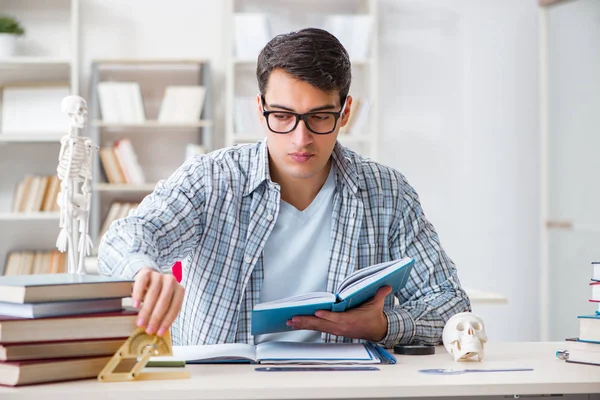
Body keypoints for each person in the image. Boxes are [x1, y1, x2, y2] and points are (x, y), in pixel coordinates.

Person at [98, 28, 471, 348]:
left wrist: (385, 326)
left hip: (345, 387)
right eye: (282, 116)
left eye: (320, 117)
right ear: (260, 109)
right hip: (226, 388)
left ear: (346, 113)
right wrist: (141, 271)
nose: (301, 139)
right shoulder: (211, 179)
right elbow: (125, 237)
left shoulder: (388, 193)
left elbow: (451, 306)